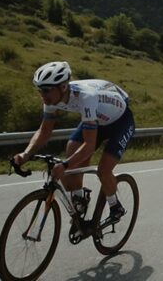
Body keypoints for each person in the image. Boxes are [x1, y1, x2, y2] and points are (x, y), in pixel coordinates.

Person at [13, 61, 135, 225]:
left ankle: (115, 205)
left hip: (120, 122)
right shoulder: (52, 99)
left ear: (63, 87)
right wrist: (26, 154)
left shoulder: (86, 97)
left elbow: (89, 146)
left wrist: (64, 166)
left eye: (47, 90)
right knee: (72, 148)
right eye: (40, 90)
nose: (43, 95)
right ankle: (79, 201)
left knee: (103, 170)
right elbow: (44, 131)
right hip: (97, 119)